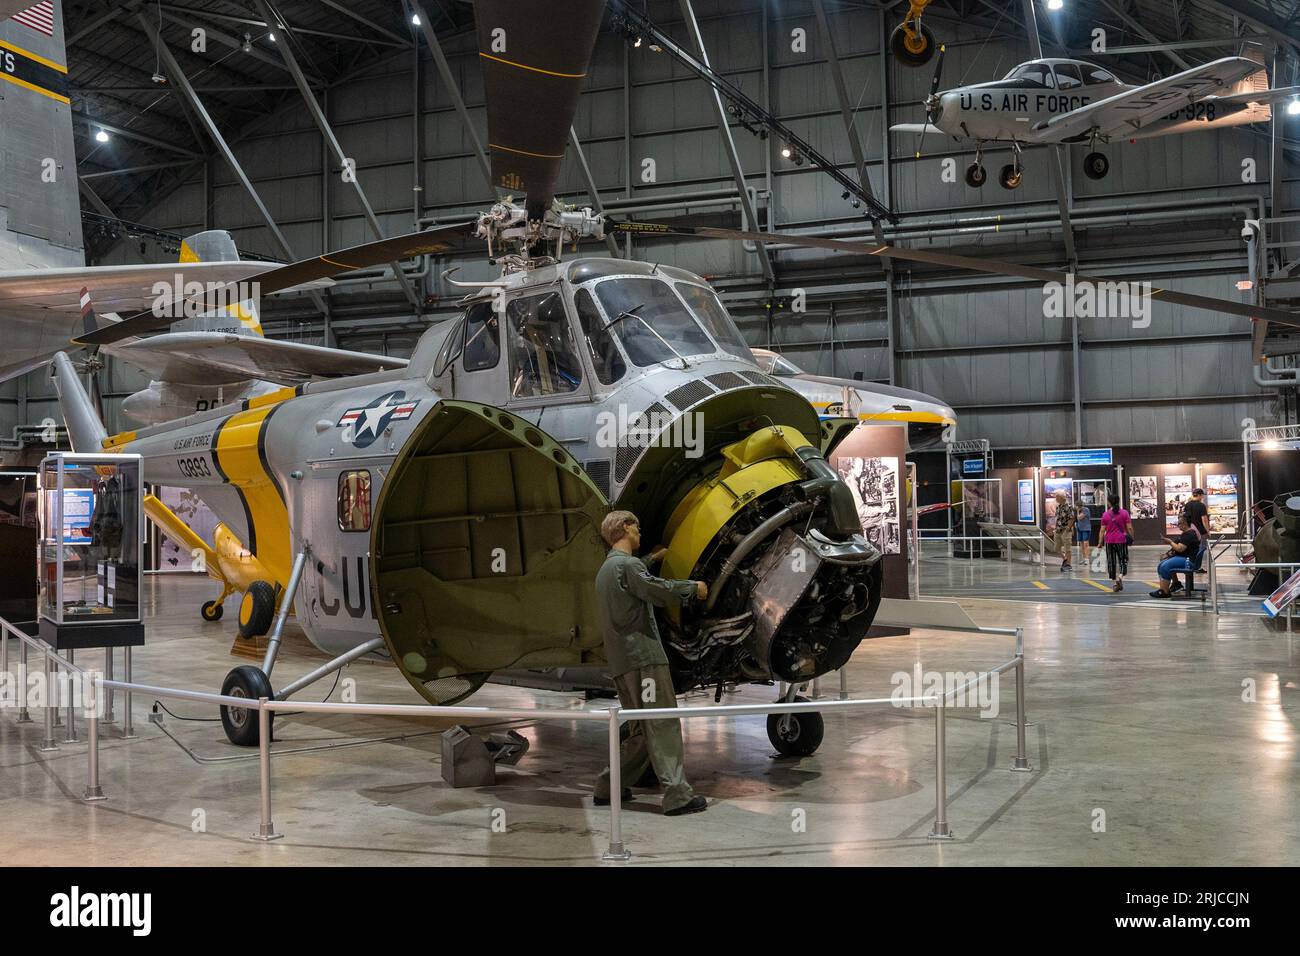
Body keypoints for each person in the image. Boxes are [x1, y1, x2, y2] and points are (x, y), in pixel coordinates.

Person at [592, 509, 709, 816]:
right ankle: (677, 795)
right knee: (662, 724)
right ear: (625, 528)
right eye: (637, 527)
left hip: (622, 663)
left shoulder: (606, 571)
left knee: (641, 731)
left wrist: (653, 559)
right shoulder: (629, 566)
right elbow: (655, 590)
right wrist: (691, 588)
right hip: (645, 660)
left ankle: (608, 787)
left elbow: (632, 579)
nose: (640, 533)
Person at [1150, 515, 1201, 598]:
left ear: (1185, 523)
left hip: (1189, 561)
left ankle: (1164, 592)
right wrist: (1167, 554)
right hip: (1184, 558)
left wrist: (1170, 542)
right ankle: (1173, 585)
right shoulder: (1185, 534)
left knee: (1165, 566)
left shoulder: (1189, 534)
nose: (1178, 525)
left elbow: (1180, 548)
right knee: (1161, 565)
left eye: (1179, 523)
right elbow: (1176, 547)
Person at [1099, 494, 1133, 592]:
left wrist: (1100, 542)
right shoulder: (1124, 513)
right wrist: (1132, 538)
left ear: (1109, 502)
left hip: (1109, 541)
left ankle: (1115, 583)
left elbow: (1102, 530)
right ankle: (1120, 577)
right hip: (1121, 540)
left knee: (1111, 561)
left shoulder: (1105, 514)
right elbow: (1129, 527)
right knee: (1123, 559)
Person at [1053, 491, 1076, 571]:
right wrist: (1055, 528)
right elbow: (1057, 517)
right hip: (1058, 530)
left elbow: (1072, 517)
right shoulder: (1058, 506)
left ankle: (1068, 565)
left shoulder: (1069, 506)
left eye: (1056, 497)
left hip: (1065, 530)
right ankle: (1065, 559)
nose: (1055, 498)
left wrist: (1068, 528)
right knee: (1056, 548)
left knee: (1067, 548)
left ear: (1061, 497)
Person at [1076, 500, 1093, 566]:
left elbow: (1079, 517)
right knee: (1081, 544)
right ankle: (1084, 558)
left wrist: (1077, 511)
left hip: (1085, 528)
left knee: (1086, 543)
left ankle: (1087, 559)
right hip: (1080, 528)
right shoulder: (1079, 511)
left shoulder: (1086, 510)